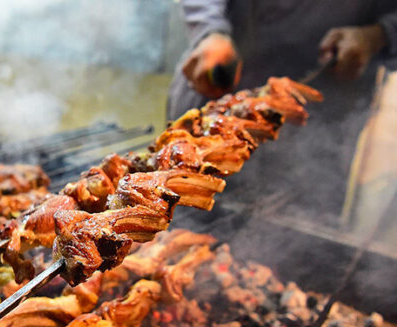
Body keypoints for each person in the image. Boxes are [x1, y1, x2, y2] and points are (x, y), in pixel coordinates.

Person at [166, 1, 397, 225]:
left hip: (322, 121)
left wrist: (379, 34)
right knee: (180, 207)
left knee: (300, 239)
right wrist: (210, 30)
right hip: (218, 88)